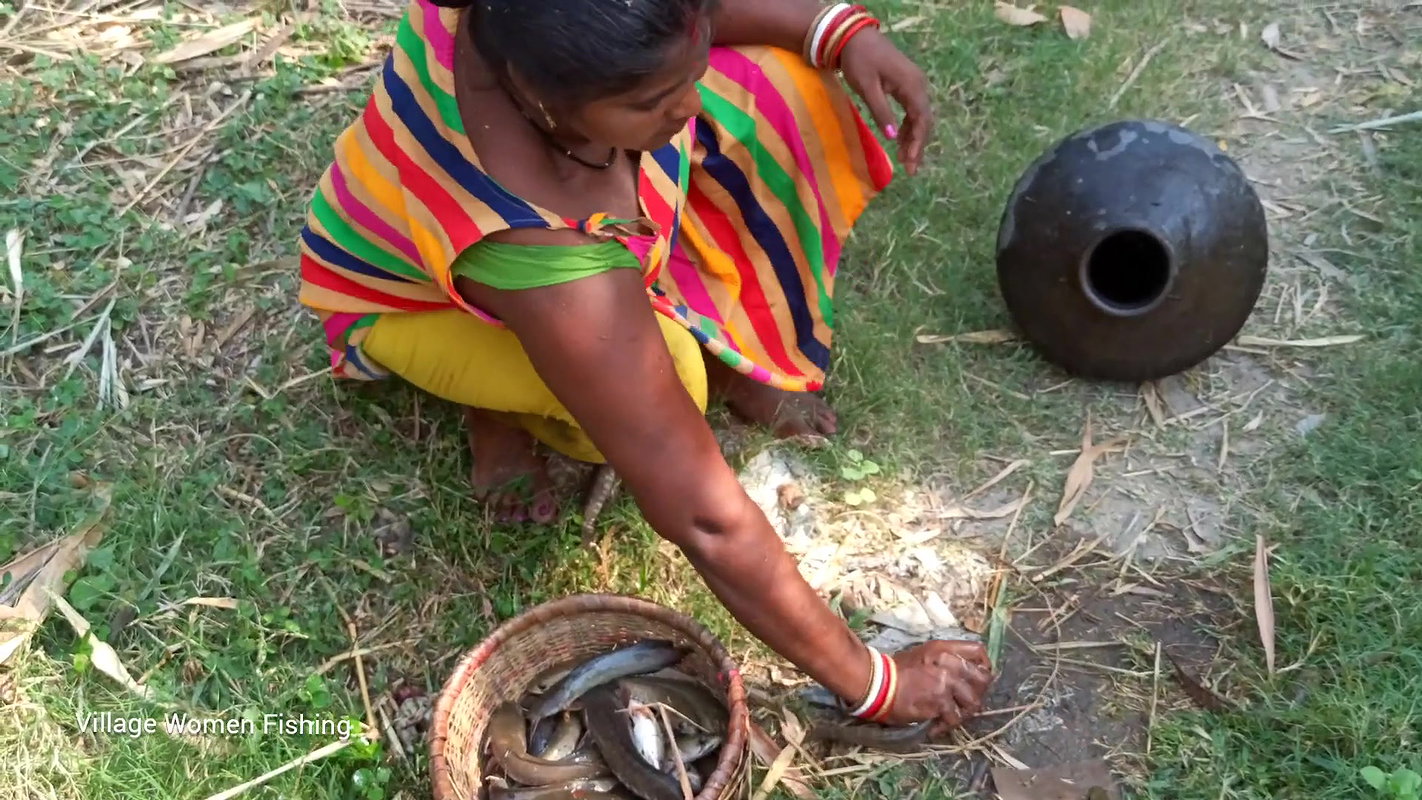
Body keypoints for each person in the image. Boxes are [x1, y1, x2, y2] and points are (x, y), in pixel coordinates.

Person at [298, 0, 994, 730]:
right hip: (412, 296)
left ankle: (690, 335)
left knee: (789, 81)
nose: (689, 105)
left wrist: (837, 30)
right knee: (674, 382)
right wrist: (873, 681)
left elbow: (671, 19)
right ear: (544, 94)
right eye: (652, 101)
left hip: (556, 213)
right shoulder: (538, 245)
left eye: (687, 75)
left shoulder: (542, 36)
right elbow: (702, 514)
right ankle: (497, 403)